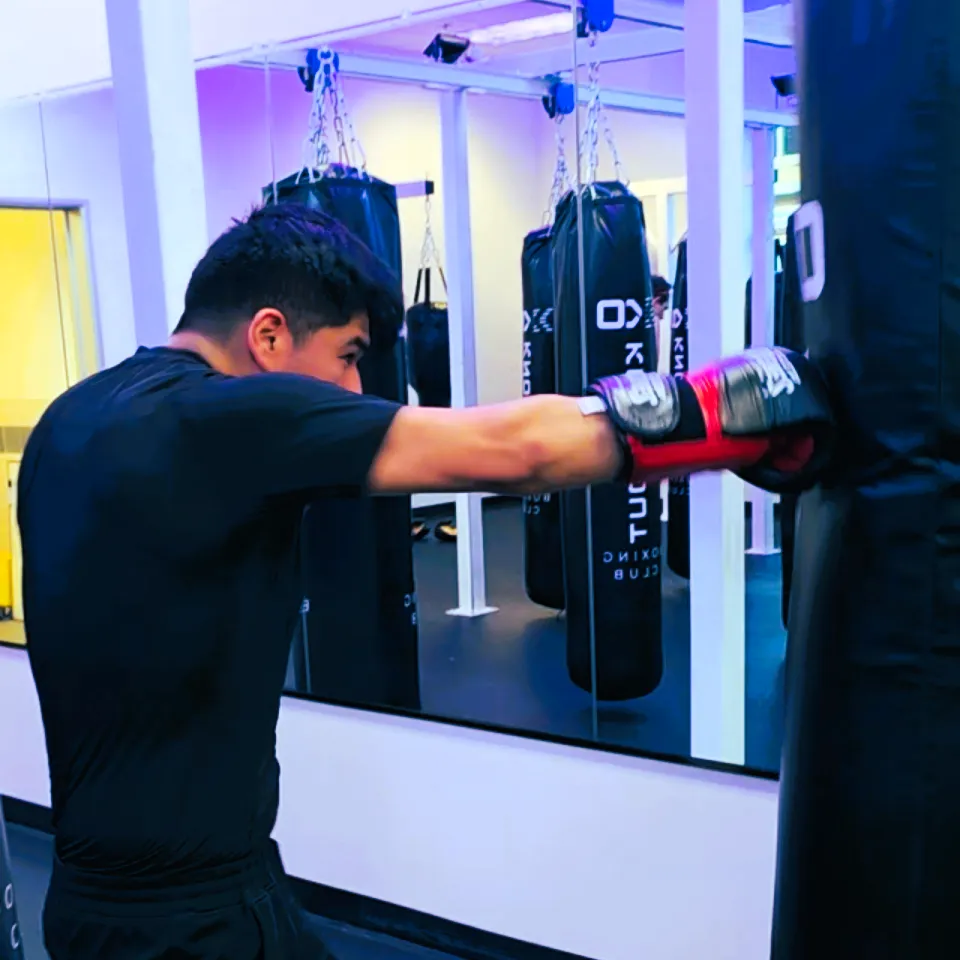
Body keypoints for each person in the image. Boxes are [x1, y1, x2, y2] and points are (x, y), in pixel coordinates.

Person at [18, 203, 833, 960]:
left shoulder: (72, 418)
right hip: (197, 920)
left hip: (91, 897)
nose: (353, 390)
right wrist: (725, 411)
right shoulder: (230, 420)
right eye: (348, 356)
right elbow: (520, 452)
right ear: (267, 335)